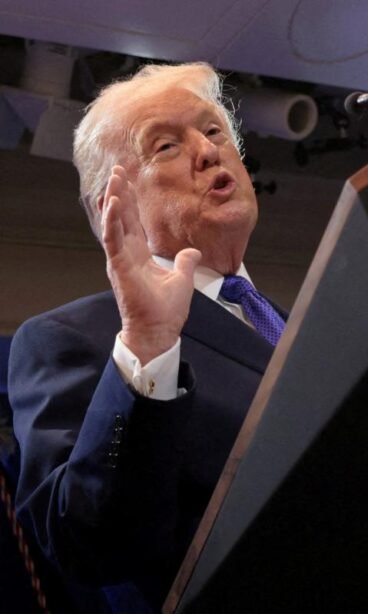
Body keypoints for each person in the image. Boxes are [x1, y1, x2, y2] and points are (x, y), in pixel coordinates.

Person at [7, 62, 286, 612]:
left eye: (213, 131)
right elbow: (87, 546)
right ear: (114, 205)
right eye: (165, 147)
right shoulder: (71, 338)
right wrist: (150, 343)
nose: (208, 152)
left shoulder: (299, 322)